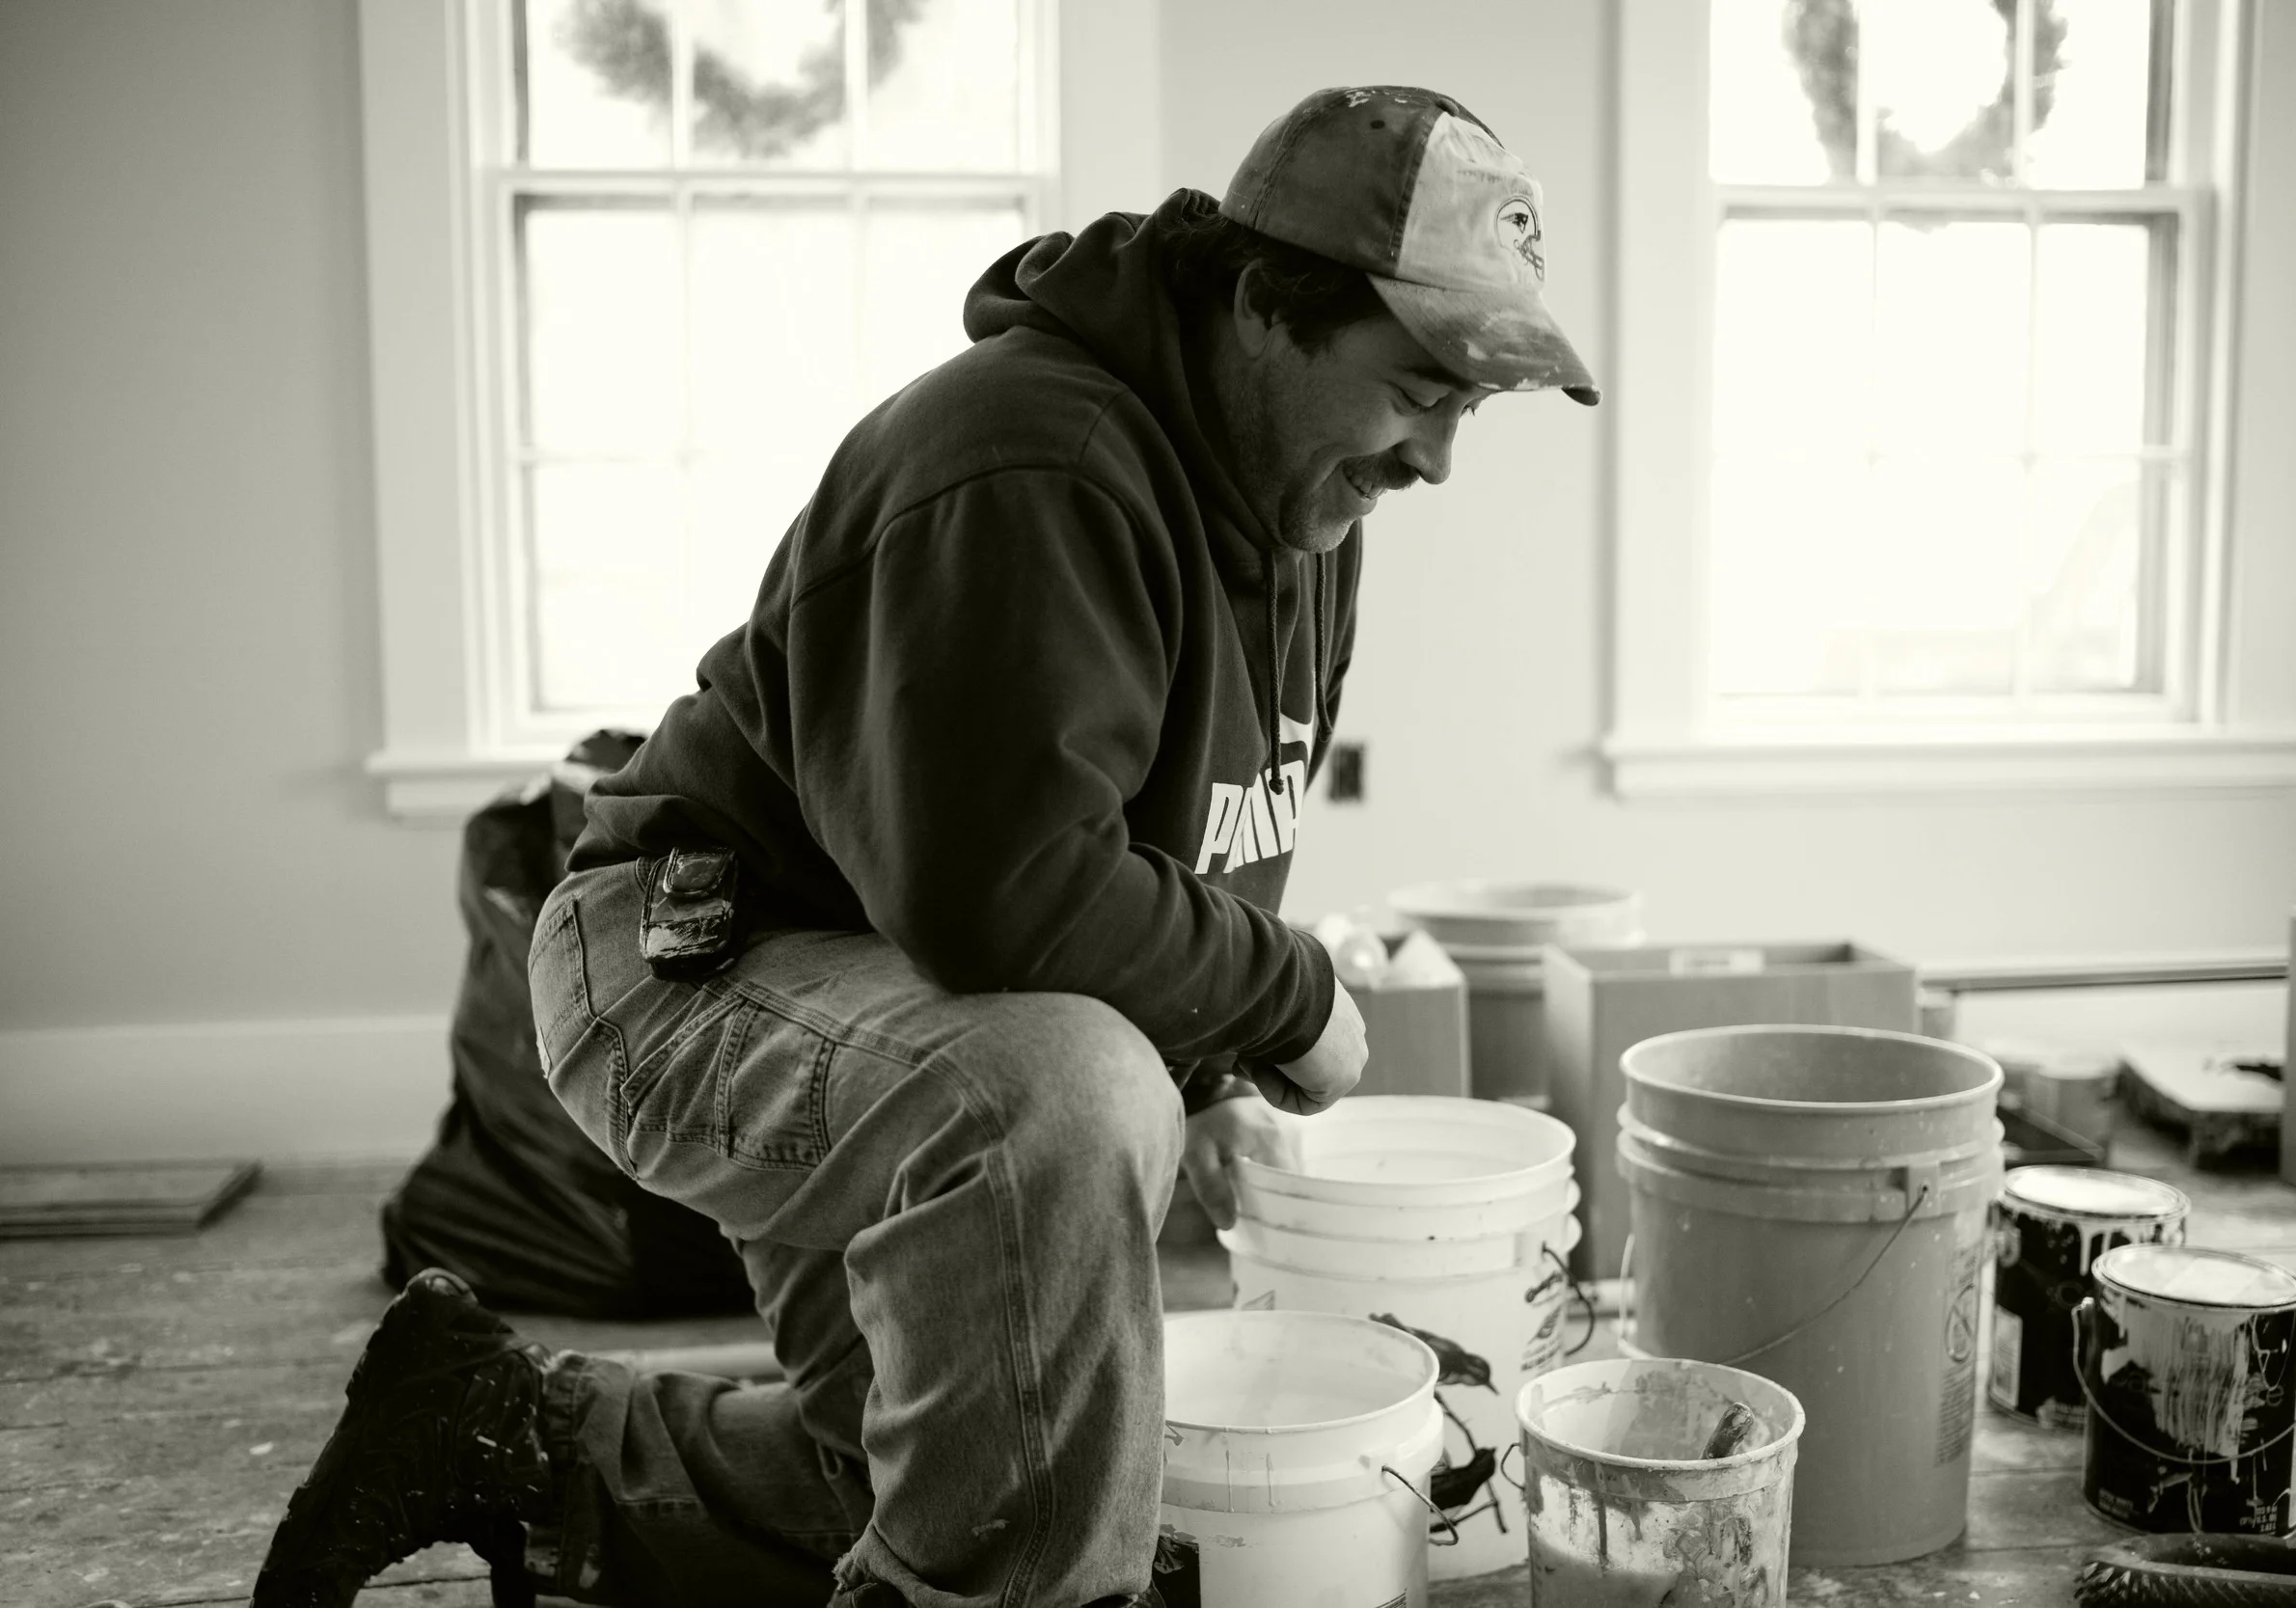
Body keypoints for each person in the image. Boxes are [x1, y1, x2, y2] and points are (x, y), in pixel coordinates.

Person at [253, 83, 1595, 1608]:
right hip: (682, 962)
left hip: (890, 986)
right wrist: (1288, 996)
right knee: (1076, 1101)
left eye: (1467, 408)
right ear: (1265, 307)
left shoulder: (1306, 514)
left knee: (956, 1466)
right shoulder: (1034, 458)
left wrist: (1217, 1074)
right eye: (1417, 389)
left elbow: (1180, 850)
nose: (1436, 458)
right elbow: (1007, 898)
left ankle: (499, 1430)